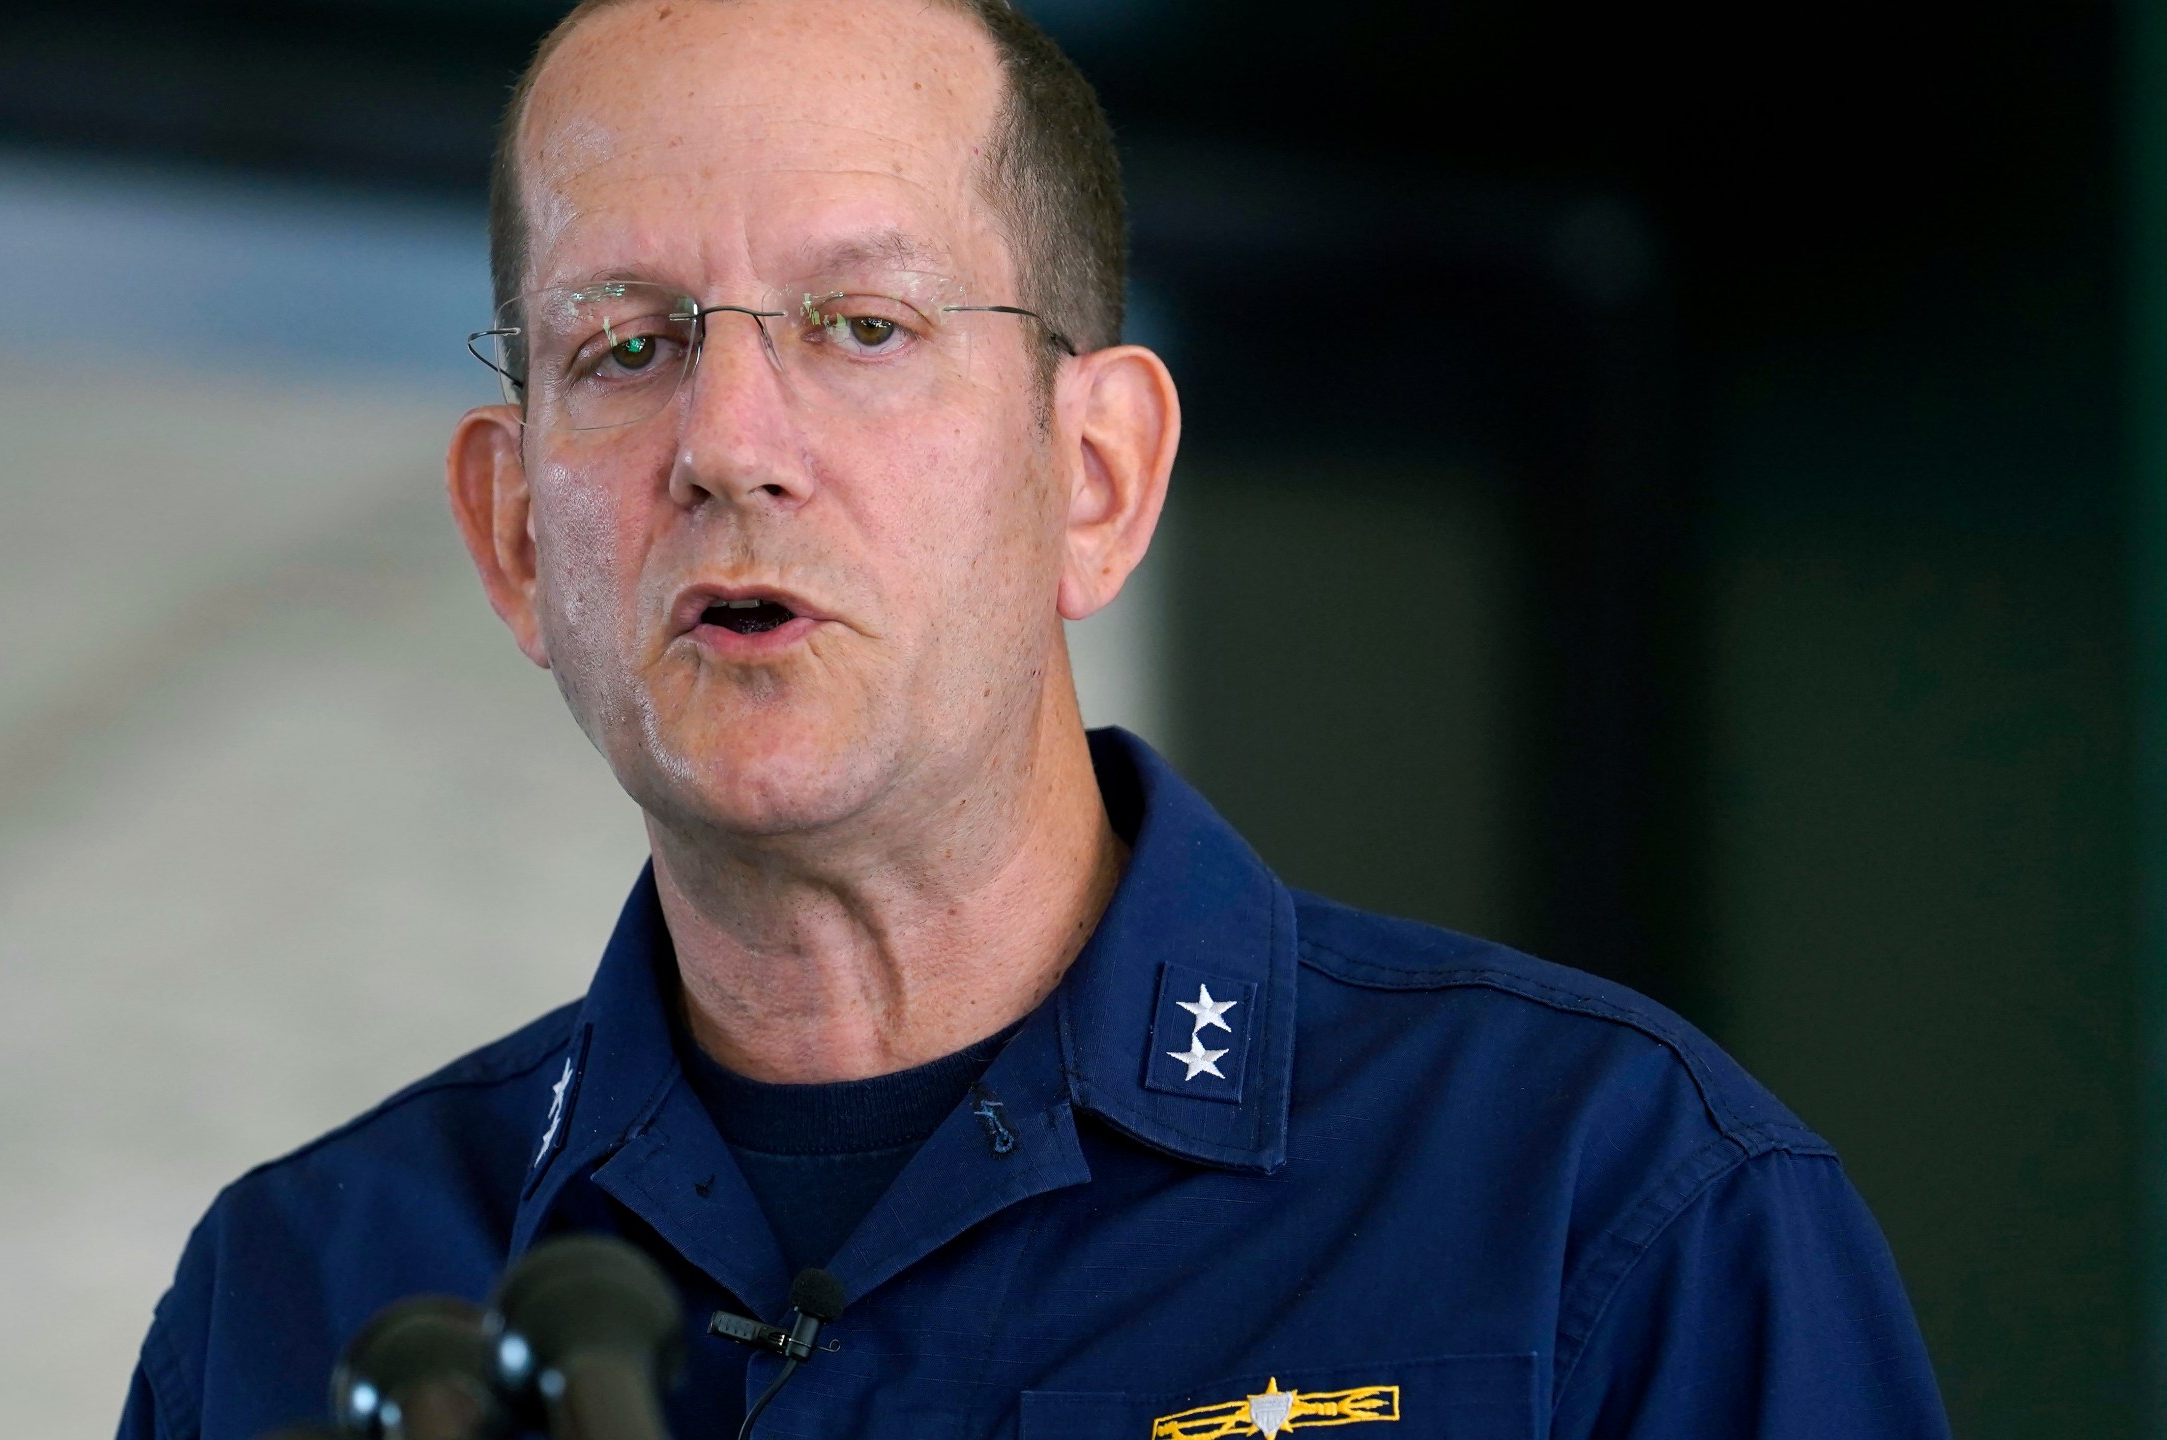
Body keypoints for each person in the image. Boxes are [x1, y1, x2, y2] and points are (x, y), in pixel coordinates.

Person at [117, 1, 1951, 1436]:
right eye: (628, 345)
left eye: (861, 326)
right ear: (517, 534)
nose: (731, 445)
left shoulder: (1611, 1203)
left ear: (1096, 476)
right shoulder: (300, 1300)